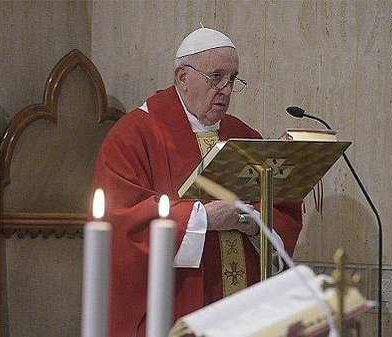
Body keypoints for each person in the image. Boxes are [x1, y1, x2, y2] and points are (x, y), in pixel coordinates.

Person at [91, 27, 303, 337]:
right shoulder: (133, 135)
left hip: (243, 313)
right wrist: (204, 218)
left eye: (232, 79)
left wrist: (277, 177)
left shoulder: (244, 137)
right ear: (182, 77)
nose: (226, 89)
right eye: (216, 77)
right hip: (175, 310)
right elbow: (122, 220)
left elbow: (280, 214)